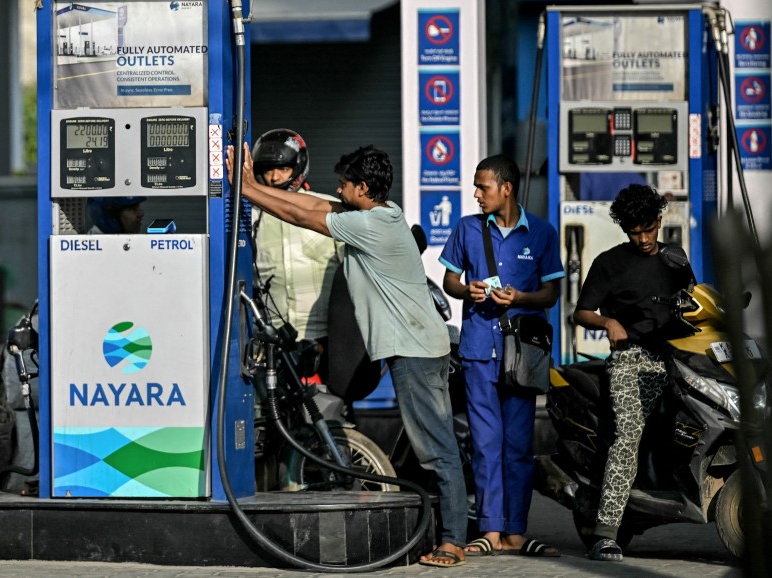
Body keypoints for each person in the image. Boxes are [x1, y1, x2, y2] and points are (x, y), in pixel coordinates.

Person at [228, 143, 468, 569]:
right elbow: (308, 203)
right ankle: (441, 531)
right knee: (428, 445)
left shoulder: (370, 226)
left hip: (413, 349)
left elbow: (302, 214)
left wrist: (248, 189)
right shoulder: (382, 211)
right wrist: (248, 186)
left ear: (361, 188)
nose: (335, 191)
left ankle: (452, 540)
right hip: (417, 346)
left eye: (342, 185)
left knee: (436, 447)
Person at [439, 154, 564, 558]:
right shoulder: (466, 229)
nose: (476, 194)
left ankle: (516, 532)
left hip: (523, 355)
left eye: (483, 187)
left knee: (518, 446)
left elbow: (552, 293)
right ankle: (490, 532)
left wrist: (521, 297)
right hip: (478, 350)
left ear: (505, 188)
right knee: (484, 443)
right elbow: (449, 280)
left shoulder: (542, 233)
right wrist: (467, 290)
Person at [572, 183, 695, 561]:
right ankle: (606, 532)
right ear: (624, 229)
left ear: (660, 220)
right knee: (628, 436)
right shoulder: (609, 263)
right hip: (630, 361)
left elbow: (695, 300)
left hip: (676, 361)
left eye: (648, 228)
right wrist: (608, 322)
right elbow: (581, 312)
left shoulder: (676, 259)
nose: (643, 238)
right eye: (634, 231)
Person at [250, 129, 343, 357]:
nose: (274, 177)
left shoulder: (330, 209)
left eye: (283, 168)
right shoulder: (249, 217)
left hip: (325, 337)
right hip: (272, 339)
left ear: (299, 167)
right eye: (268, 170)